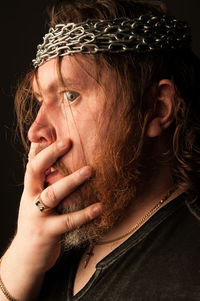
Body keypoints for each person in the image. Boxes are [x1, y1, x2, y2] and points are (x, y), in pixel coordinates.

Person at [0, 0, 200, 300]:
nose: (35, 131)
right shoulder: (46, 243)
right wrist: (18, 262)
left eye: (70, 95)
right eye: (41, 99)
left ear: (157, 108)